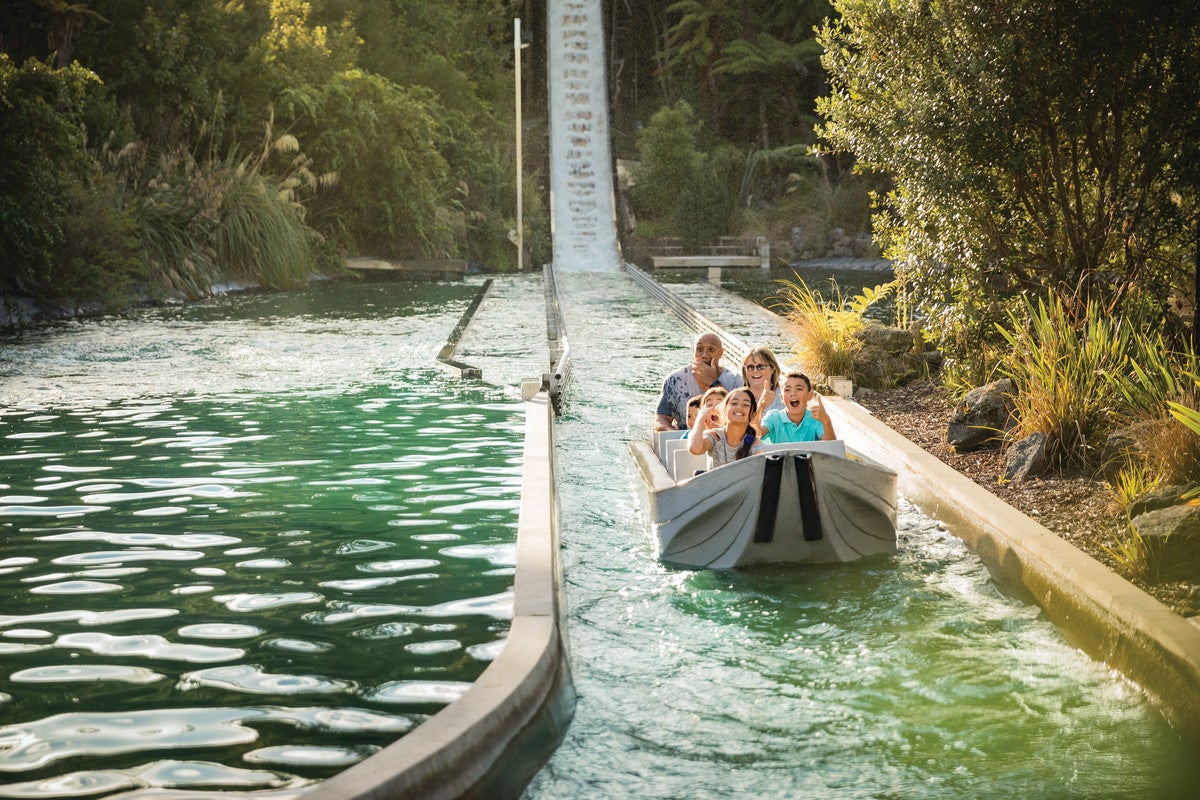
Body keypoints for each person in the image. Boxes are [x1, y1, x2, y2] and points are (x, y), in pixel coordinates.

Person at [654, 332, 743, 431]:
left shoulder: (736, 381)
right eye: (699, 349)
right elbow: (661, 418)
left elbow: (739, 420)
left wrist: (713, 383)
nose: (704, 355)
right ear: (693, 351)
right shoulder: (675, 380)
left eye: (711, 350)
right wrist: (675, 435)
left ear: (721, 353)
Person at [687, 386, 763, 468]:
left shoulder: (754, 442)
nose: (739, 407)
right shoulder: (714, 436)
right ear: (724, 410)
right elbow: (695, 449)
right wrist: (700, 417)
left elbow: (761, 461)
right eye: (734, 403)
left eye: (745, 404)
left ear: (753, 415)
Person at [760, 372, 837, 443]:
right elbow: (754, 436)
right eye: (787, 389)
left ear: (809, 395)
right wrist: (761, 406)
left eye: (799, 389)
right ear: (781, 398)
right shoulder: (773, 417)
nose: (793, 393)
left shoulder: (817, 418)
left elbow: (832, 450)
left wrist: (826, 421)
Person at [741, 345, 785, 420]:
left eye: (761, 367)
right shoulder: (737, 397)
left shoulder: (785, 397)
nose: (755, 371)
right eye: (750, 367)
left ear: (772, 368)